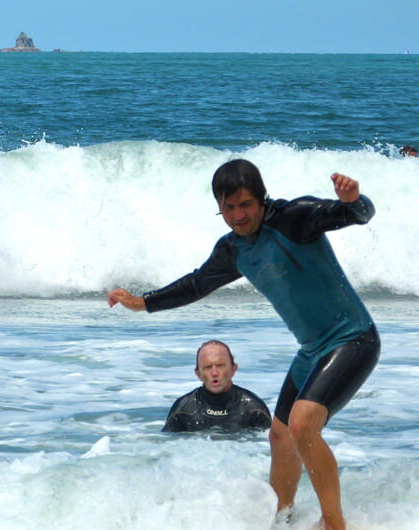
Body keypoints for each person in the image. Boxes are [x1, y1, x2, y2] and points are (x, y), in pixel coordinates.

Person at [108, 159, 380, 530]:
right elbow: (196, 284)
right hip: (313, 350)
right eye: (229, 207)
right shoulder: (234, 250)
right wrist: (142, 302)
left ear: (262, 200)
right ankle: (281, 520)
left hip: (353, 338)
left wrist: (354, 200)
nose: (238, 215)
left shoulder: (293, 218)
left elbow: (358, 214)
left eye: (246, 204)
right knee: (281, 435)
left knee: (302, 425)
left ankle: (334, 523)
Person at [163, 340, 271, 433]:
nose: (214, 373)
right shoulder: (183, 410)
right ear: (198, 374)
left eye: (220, 365)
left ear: (233, 369)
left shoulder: (254, 409)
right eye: (208, 367)